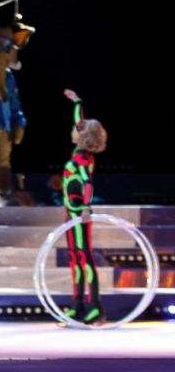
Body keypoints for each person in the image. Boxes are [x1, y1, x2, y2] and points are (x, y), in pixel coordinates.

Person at [61, 89, 108, 325]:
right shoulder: (78, 152)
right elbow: (79, 121)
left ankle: (95, 307)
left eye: (77, 130)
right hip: (70, 213)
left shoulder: (82, 158)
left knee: (83, 256)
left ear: (83, 137)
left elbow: (88, 183)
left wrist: (87, 208)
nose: (73, 129)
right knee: (74, 257)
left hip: (79, 213)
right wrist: (77, 102)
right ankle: (77, 304)